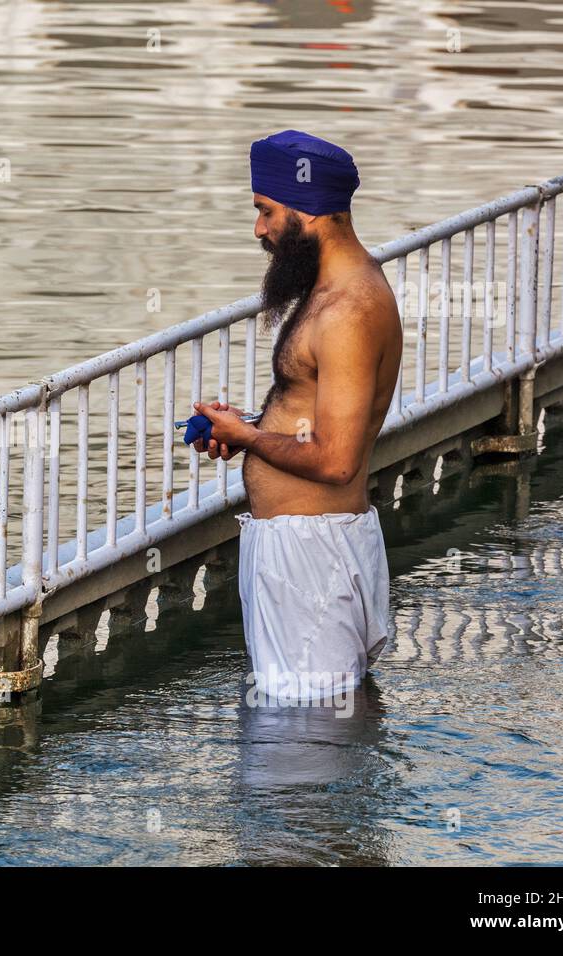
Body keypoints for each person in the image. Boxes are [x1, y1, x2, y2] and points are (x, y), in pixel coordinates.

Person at [191, 129, 403, 704]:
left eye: (265, 211)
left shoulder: (348, 310)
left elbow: (337, 461)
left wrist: (251, 439)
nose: (258, 229)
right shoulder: (332, 291)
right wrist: (247, 431)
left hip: (312, 560)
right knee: (307, 737)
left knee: (303, 747)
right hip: (305, 550)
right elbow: (311, 414)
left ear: (305, 209)